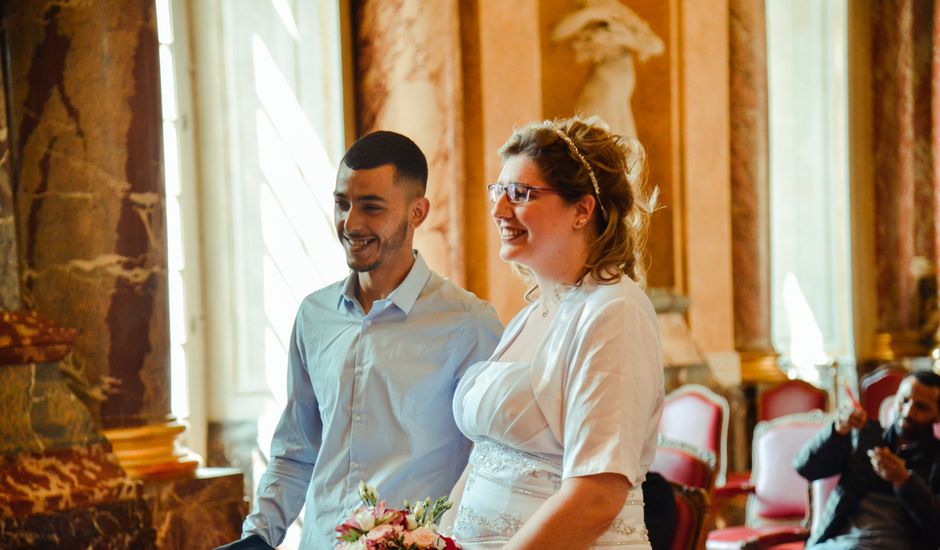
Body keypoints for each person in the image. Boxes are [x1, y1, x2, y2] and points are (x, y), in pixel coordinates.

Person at [223, 131, 502, 549]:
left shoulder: (469, 325)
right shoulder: (313, 316)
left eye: (371, 207)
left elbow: (492, 463)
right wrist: (258, 535)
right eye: (342, 203)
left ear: (418, 212)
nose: (351, 224)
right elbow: (296, 450)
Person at [446, 116, 664, 549]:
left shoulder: (614, 311)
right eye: (499, 191)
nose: (499, 210)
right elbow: (488, 458)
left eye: (521, 194)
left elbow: (596, 496)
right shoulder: (532, 315)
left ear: (582, 210)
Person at [793, 370, 940, 549]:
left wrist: (905, 482)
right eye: (904, 400)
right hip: (838, 543)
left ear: (937, 415)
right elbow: (805, 468)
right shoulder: (865, 435)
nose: (908, 411)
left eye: (921, 407)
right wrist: (838, 430)